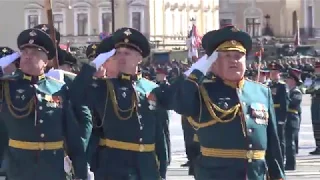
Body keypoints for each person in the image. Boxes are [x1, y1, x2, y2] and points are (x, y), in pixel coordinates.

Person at [172, 25, 285, 180]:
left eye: (239, 55)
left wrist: (278, 175)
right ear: (214, 63)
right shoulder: (202, 91)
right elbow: (179, 102)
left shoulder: (261, 92)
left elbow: (272, 144)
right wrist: (196, 72)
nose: (234, 60)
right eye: (227, 56)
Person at [74, 28, 169, 180]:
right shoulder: (103, 87)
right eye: (118, 53)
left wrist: (162, 170)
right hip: (114, 167)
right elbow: (75, 94)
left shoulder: (153, 89)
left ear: (140, 58)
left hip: (147, 168)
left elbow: (161, 135)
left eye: (127, 53)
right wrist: (94, 65)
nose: (122, 57)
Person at [0, 28, 87, 180]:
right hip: (18, 169)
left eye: (34, 53)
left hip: (53, 168)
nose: (28, 56)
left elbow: (72, 134)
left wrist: (81, 171)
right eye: (25, 52)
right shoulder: (6, 86)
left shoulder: (59, 88)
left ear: (46, 61)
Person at [268, 61, 288, 158]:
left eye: (275, 73)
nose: (273, 74)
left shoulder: (282, 86)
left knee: (280, 139)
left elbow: (284, 103)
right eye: (271, 73)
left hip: (278, 114)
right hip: (270, 115)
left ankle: (281, 158)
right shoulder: (268, 85)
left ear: (279, 74)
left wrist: (282, 119)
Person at [285, 68, 302, 170]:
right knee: (287, 141)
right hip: (287, 118)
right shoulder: (288, 92)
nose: (287, 81)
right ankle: (288, 162)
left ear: (293, 81)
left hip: (292, 119)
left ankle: (291, 164)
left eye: (289, 79)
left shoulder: (296, 92)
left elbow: (292, 103)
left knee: (290, 142)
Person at [306, 61, 320, 155]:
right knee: (316, 125)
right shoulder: (313, 79)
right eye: (316, 68)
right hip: (315, 103)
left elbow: (314, 89)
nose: (317, 70)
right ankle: (318, 146)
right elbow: (307, 89)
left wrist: (313, 88)